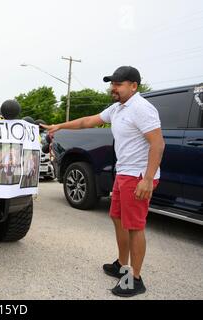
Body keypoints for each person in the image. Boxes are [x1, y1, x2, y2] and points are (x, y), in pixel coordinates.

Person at [41, 66, 165, 297]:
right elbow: (88, 121)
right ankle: (121, 264)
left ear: (133, 86)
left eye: (118, 84)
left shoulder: (141, 108)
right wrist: (60, 126)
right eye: (112, 84)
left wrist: (147, 179)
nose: (113, 88)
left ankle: (135, 279)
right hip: (124, 173)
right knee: (117, 218)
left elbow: (158, 144)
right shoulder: (118, 109)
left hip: (138, 176)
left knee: (135, 226)